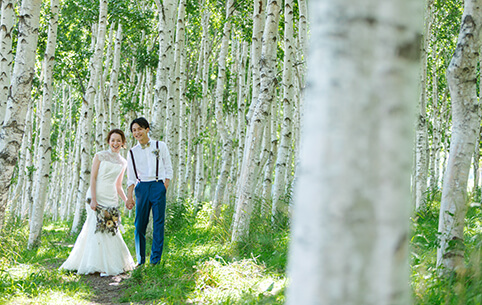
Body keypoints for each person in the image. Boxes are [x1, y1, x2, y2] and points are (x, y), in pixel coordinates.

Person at [60, 129, 135, 276]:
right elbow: (93, 178)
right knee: (95, 227)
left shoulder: (123, 162)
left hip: (111, 198)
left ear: (123, 143)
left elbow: (118, 185)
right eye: (113, 140)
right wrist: (93, 198)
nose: (115, 143)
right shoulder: (100, 156)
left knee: (111, 229)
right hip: (97, 195)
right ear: (108, 141)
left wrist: (126, 200)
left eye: (118, 140)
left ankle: (110, 263)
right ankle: (94, 263)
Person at [126, 117, 173, 266]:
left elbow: (168, 168)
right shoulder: (132, 152)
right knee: (139, 225)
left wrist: (163, 187)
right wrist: (129, 197)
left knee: (158, 224)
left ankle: (155, 262)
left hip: (158, 185)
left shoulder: (160, 145)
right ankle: (140, 261)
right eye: (134, 130)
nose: (137, 132)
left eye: (140, 129)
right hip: (142, 188)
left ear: (147, 129)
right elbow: (131, 177)